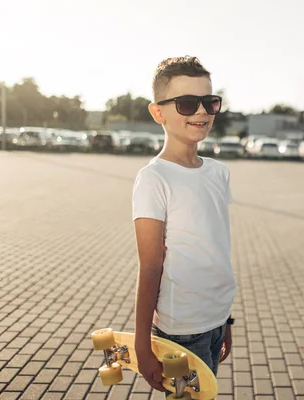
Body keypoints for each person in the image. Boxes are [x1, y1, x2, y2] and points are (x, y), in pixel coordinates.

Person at [131, 56, 236, 393]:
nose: (202, 112)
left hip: (216, 322)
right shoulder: (154, 179)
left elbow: (215, 250)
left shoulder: (218, 173)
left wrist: (225, 319)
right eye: (187, 104)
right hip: (181, 331)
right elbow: (150, 266)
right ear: (158, 112)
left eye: (209, 102)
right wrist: (142, 344)